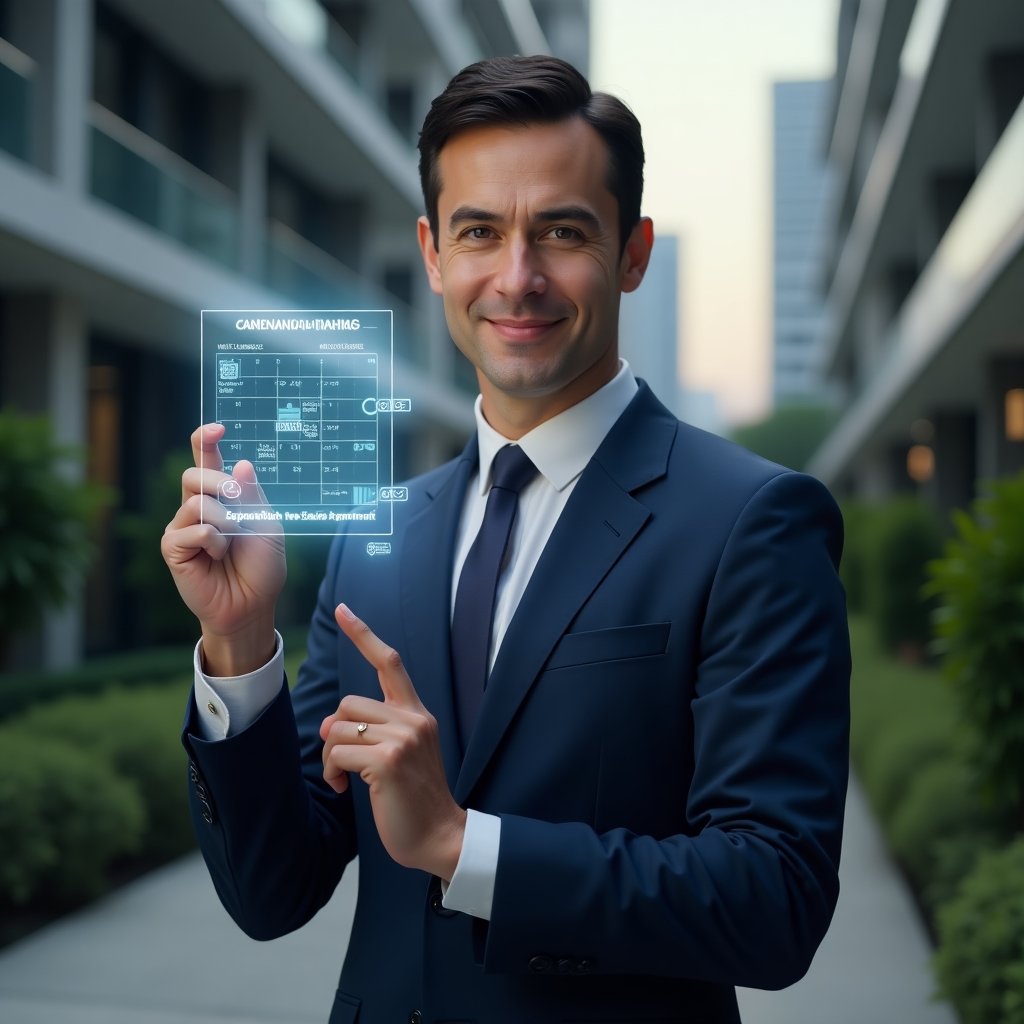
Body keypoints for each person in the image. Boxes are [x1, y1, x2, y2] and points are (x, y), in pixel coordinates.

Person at [163, 55, 850, 1024]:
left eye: (562, 232)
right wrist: (237, 646)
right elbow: (274, 891)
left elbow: (773, 898)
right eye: (479, 231)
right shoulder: (381, 532)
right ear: (434, 253)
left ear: (632, 252)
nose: (516, 278)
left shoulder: (753, 520)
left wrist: (459, 842)